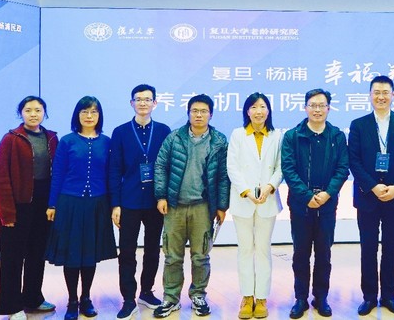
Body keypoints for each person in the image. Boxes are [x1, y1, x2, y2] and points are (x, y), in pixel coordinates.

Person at [153, 94, 230, 318]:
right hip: (174, 206)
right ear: (188, 113)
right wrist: (161, 196)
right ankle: (171, 298)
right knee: (172, 256)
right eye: (194, 111)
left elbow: (223, 176)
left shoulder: (219, 141)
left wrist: (222, 206)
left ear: (211, 115)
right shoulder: (174, 137)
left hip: (203, 207)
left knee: (201, 256)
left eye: (203, 111)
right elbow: (160, 166)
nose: (198, 115)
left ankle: (198, 295)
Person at [348, 75, 394, 316]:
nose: (381, 96)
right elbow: (353, 160)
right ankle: (369, 297)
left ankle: (389, 296)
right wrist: (372, 186)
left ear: (393, 95)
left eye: (385, 92)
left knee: (391, 247)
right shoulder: (358, 124)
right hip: (367, 196)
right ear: (370, 95)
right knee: (368, 248)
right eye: (376, 92)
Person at [45, 96, 117, 320]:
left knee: (89, 254)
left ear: (99, 116)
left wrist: (114, 204)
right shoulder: (67, 141)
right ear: (77, 115)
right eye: (84, 111)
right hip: (70, 203)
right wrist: (52, 204)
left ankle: (86, 298)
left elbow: (112, 175)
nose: (89, 116)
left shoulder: (107, 142)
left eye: (93, 112)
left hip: (97, 203)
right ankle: (72, 301)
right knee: (72, 255)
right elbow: (57, 174)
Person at [281, 88, 349, 319]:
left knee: (324, 254)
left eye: (322, 106)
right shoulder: (293, 136)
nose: (317, 110)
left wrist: (328, 193)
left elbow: (342, 169)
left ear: (328, 108)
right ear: (305, 107)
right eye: (313, 105)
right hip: (300, 205)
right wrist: (306, 196)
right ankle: (300, 298)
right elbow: (288, 169)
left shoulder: (337, 136)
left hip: (327, 205)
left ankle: (321, 297)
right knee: (300, 253)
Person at [108, 84, 171, 319]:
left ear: (155, 103)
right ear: (131, 103)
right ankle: (128, 298)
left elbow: (168, 166)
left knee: (153, 249)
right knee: (127, 251)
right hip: (129, 200)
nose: (143, 103)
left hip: (156, 201)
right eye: (138, 99)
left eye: (147, 99)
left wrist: (165, 196)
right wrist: (115, 204)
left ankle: (146, 291)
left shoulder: (164, 131)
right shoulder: (121, 132)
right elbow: (114, 170)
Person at [0, 96, 58, 320]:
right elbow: (1, 177)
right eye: (28, 110)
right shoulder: (11, 139)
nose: (33, 114)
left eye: (38, 110)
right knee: (12, 257)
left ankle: (33, 298)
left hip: (43, 204)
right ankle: (12, 306)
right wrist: (6, 213)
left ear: (44, 113)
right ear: (21, 113)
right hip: (17, 206)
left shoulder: (52, 138)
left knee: (37, 254)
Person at [227, 93, 283, 319]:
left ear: (268, 111)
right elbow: (232, 167)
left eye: (262, 107)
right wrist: (247, 192)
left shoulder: (277, 135)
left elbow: (281, 167)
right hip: (243, 200)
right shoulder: (238, 134)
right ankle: (247, 296)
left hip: (267, 201)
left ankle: (261, 298)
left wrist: (270, 186)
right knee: (245, 250)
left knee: (263, 249)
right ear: (247, 111)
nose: (258, 111)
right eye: (253, 107)